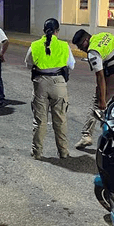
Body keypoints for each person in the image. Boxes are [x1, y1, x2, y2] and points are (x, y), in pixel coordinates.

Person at [72, 29, 114, 150]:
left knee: (97, 104)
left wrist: (102, 100)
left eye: (79, 46)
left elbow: (100, 77)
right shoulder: (105, 35)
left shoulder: (93, 51)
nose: (80, 49)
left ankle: (86, 135)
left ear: (85, 41)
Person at [25, 19, 75, 160]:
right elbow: (71, 65)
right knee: (60, 120)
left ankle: (37, 152)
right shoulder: (64, 46)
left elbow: (28, 64)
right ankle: (63, 152)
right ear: (56, 31)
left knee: (40, 121)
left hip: (40, 84)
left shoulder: (34, 45)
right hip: (58, 84)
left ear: (43, 31)